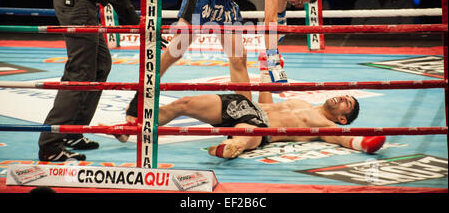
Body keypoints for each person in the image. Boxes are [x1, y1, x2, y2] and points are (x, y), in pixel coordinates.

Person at [121, 0, 321, 123]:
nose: (295, 4)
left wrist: (279, 32)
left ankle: (246, 115)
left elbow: (279, 11)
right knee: (175, 50)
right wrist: (272, 61)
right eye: (298, 1)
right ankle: (138, 100)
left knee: (238, 57)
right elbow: (269, 19)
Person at [38, 0, 144, 162]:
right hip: (77, 3)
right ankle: (50, 145)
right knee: (80, 72)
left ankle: (73, 131)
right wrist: (136, 23)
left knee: (100, 64)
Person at [115, 90, 385, 159]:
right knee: (183, 104)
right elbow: (265, 101)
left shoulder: (322, 127)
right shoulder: (304, 102)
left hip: (260, 128)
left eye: (347, 104)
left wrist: (363, 142)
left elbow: (341, 138)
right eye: (345, 96)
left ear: (342, 118)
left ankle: (229, 148)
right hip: (247, 107)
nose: (342, 98)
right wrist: (266, 70)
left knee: (245, 136)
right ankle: (135, 126)